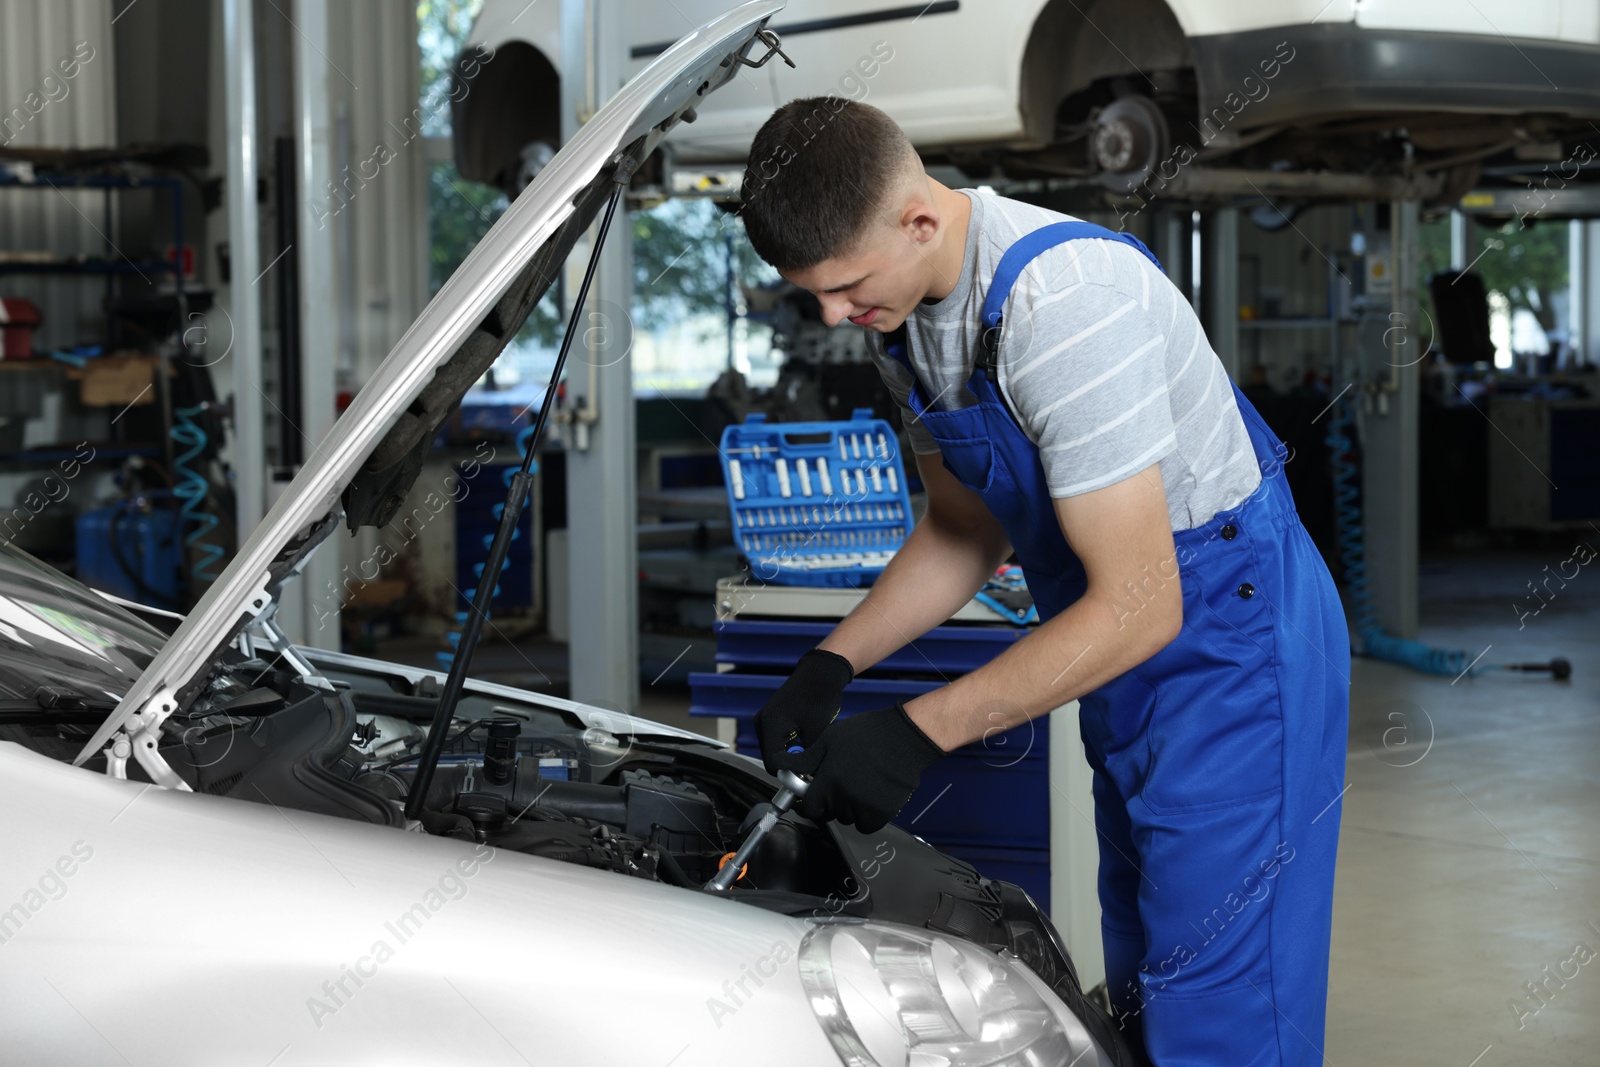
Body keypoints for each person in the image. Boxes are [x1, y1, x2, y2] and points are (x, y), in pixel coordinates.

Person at [736, 97, 1350, 1066]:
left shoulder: (1061, 303)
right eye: (813, 293)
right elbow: (962, 526)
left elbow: (1144, 600)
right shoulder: (901, 322)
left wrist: (918, 726)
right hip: (1120, 655)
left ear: (921, 220)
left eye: (846, 285)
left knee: (1223, 996)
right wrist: (831, 661)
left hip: (1232, 649)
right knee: (1147, 971)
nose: (831, 314)